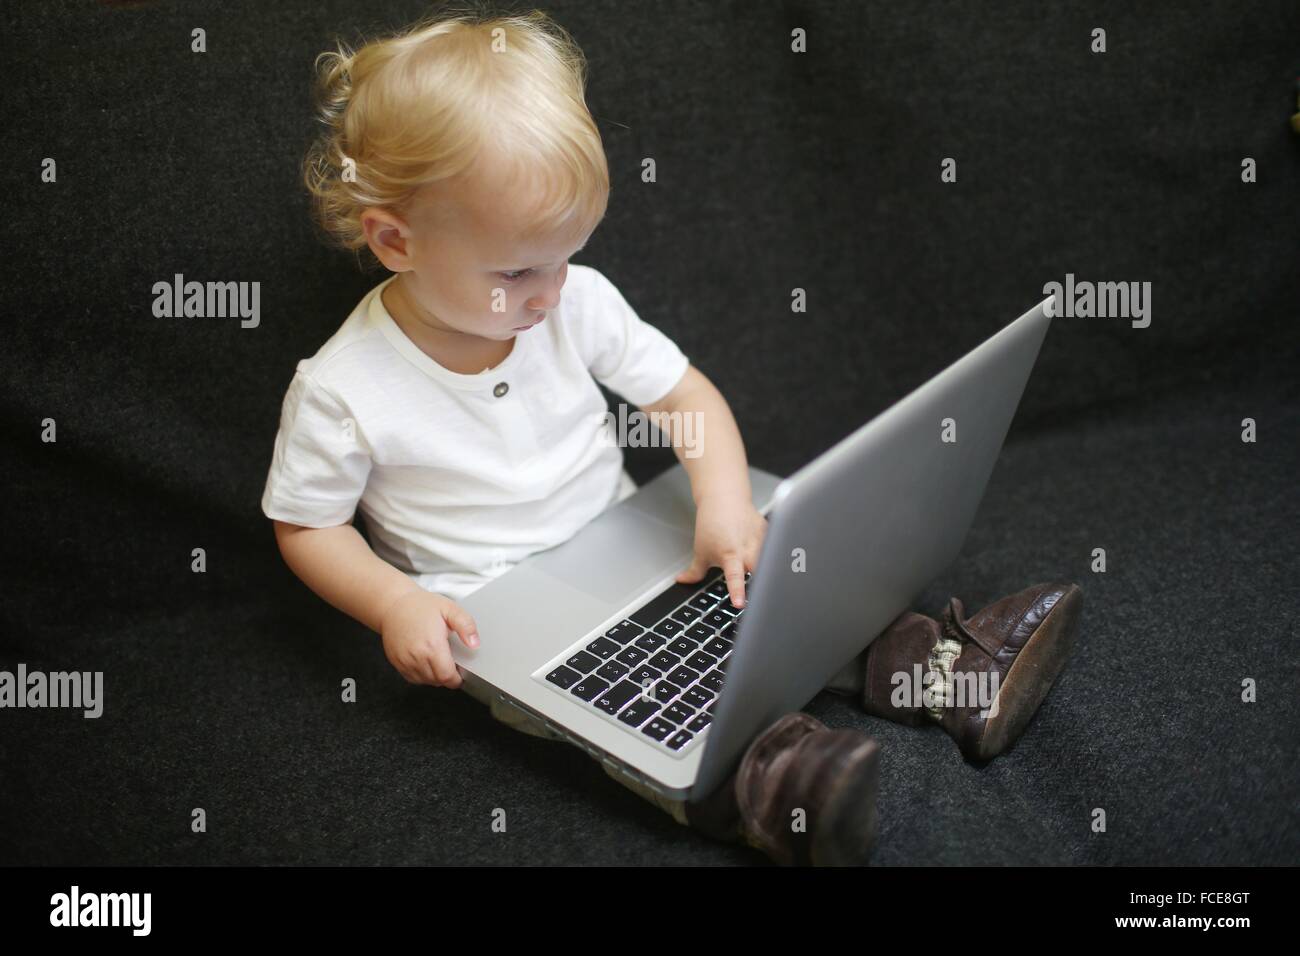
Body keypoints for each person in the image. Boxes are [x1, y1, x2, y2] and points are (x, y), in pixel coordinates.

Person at [262, 5, 1084, 866]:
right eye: (517, 271)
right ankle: (781, 785)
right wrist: (395, 603)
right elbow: (307, 526)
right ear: (397, 241)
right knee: (645, 700)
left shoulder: (573, 299)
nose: (548, 293)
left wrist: (724, 498)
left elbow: (685, 395)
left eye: (566, 257)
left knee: (768, 580)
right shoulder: (343, 387)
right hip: (490, 614)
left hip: (626, 532)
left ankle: (945, 668)